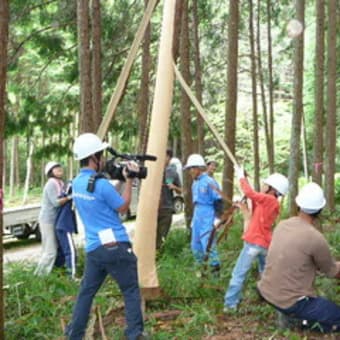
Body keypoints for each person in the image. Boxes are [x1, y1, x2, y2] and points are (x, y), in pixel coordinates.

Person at [66, 133, 146, 340]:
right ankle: (134, 334)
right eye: (100, 155)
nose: (102, 159)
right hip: (116, 246)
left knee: (86, 293)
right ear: (94, 157)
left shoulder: (77, 183)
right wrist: (129, 181)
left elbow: (103, 198)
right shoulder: (100, 184)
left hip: (95, 249)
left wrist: (119, 180)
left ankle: (74, 334)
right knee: (130, 291)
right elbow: (122, 206)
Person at [258, 182, 340, 333]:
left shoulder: (282, 225)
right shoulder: (315, 238)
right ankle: (299, 321)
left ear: (298, 204)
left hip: (266, 291)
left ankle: (291, 316)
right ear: (320, 210)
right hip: (291, 302)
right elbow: (332, 271)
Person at [223, 166, 288, 311]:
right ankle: (269, 298)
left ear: (272, 189)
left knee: (239, 274)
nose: (263, 186)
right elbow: (254, 204)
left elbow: (250, 193)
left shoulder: (269, 200)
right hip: (264, 245)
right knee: (265, 273)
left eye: (266, 184)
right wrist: (243, 205)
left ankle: (230, 305)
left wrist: (240, 177)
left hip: (254, 244)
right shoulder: (270, 202)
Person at [184, 154, 222, 275]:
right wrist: (194, 219)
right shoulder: (194, 183)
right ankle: (200, 271)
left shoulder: (210, 182)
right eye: (189, 169)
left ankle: (216, 272)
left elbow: (218, 200)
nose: (190, 171)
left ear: (199, 168)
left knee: (208, 242)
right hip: (198, 213)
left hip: (208, 213)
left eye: (192, 168)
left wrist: (217, 218)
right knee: (195, 243)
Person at [34, 161, 71, 276]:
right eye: (55, 168)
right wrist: (70, 197)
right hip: (47, 220)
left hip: (54, 220)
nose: (59, 169)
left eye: (59, 167)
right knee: (50, 251)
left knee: (52, 249)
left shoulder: (60, 183)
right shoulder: (51, 183)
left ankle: (50, 274)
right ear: (50, 172)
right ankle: (40, 276)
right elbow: (56, 202)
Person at [156, 149, 182, 250]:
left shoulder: (173, 172)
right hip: (153, 209)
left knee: (162, 236)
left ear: (169, 158)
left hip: (166, 208)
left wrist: (174, 187)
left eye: (165, 156)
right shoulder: (154, 170)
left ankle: (159, 257)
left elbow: (180, 191)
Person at [55, 180, 78, 279]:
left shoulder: (64, 197)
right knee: (70, 251)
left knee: (61, 252)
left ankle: (58, 274)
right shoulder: (68, 198)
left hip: (60, 226)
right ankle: (71, 276)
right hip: (64, 226)